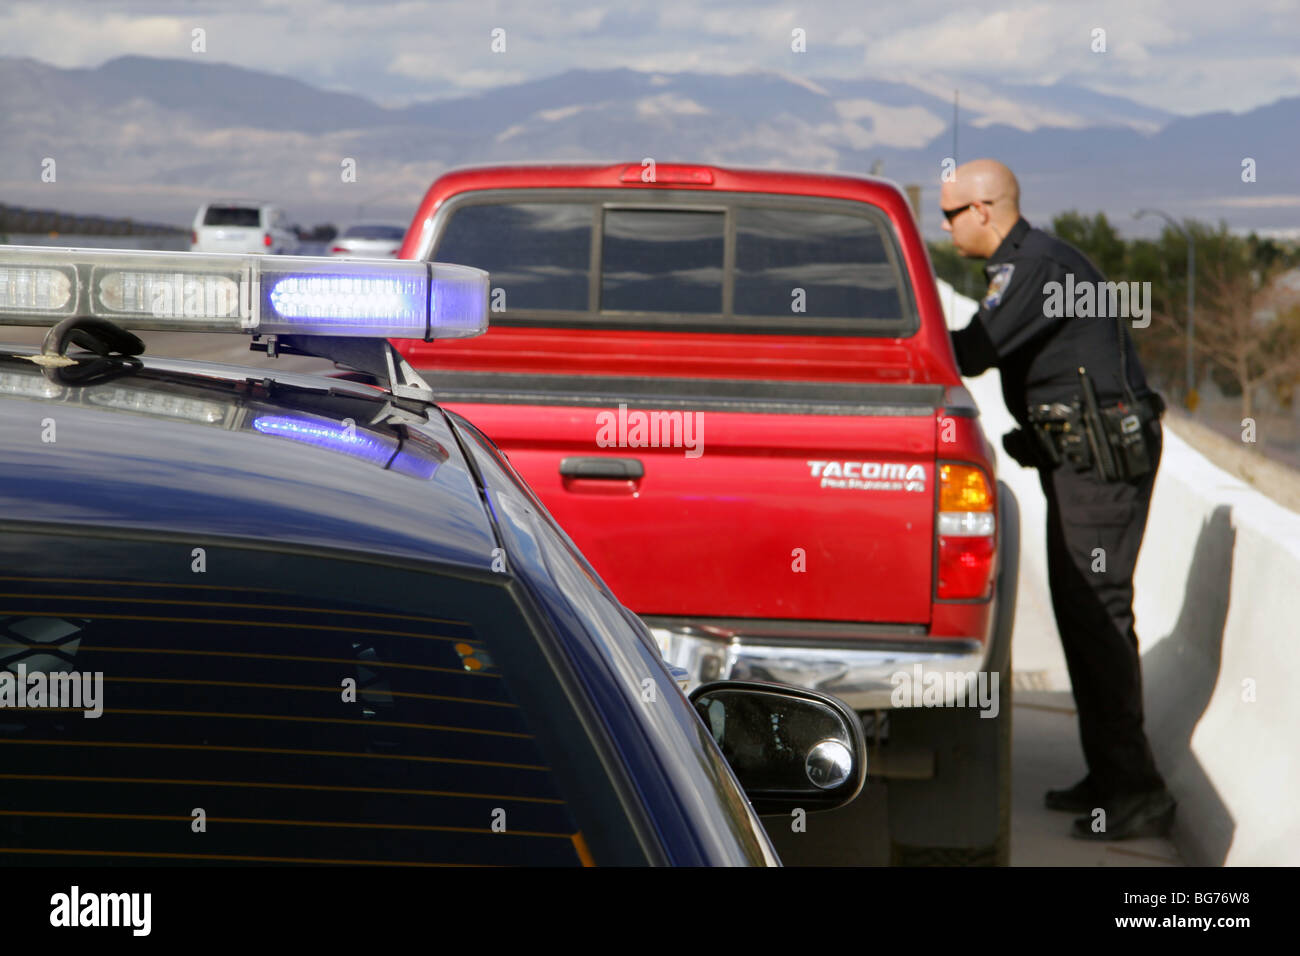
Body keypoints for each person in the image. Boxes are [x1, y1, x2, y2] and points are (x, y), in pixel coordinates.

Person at [941, 159, 1176, 841]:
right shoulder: (1029, 264)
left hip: (1098, 465)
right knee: (1081, 612)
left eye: (951, 215)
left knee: (1098, 614)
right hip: (1079, 463)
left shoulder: (1035, 268)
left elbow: (971, 351)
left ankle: (1137, 790)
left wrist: (904, 337)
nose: (948, 229)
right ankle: (1109, 776)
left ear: (983, 210)